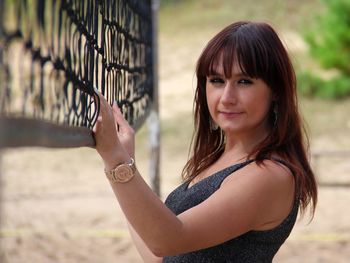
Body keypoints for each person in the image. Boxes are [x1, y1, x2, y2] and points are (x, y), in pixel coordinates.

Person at [93, 21, 317, 262]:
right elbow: (160, 254)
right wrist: (119, 161)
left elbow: (167, 240)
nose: (227, 98)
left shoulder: (271, 176)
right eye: (217, 81)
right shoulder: (218, 161)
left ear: (275, 90)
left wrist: (119, 161)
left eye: (244, 82)